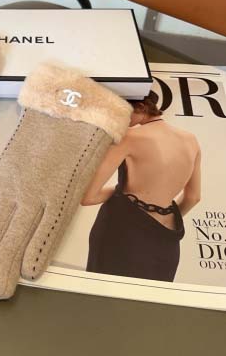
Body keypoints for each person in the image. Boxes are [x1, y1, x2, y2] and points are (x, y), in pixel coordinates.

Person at [81, 91, 201, 282]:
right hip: (167, 241)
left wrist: (122, 191)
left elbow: (88, 196)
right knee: (151, 298)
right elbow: (193, 197)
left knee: (105, 294)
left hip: (121, 231)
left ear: (141, 107)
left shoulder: (129, 137)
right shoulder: (191, 140)